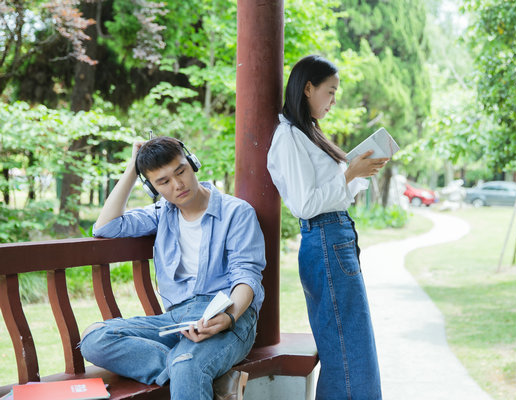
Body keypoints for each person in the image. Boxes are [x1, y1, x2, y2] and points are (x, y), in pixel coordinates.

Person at [80, 136, 265, 400]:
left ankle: (190, 368)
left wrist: (229, 317)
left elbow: (246, 276)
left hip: (229, 314)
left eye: (181, 171)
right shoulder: (161, 214)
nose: (178, 185)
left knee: (187, 363)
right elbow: (105, 226)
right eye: (163, 181)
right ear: (152, 187)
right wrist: (133, 167)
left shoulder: (237, 212)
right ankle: (206, 376)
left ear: (192, 164)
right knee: (95, 339)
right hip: (178, 320)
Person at [267, 55, 387, 399]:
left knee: (353, 350)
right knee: (348, 355)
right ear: (308, 88)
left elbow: (330, 196)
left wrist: (356, 172)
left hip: (335, 237)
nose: (334, 101)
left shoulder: (310, 133)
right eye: (330, 92)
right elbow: (306, 204)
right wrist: (349, 173)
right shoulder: (289, 136)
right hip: (324, 237)